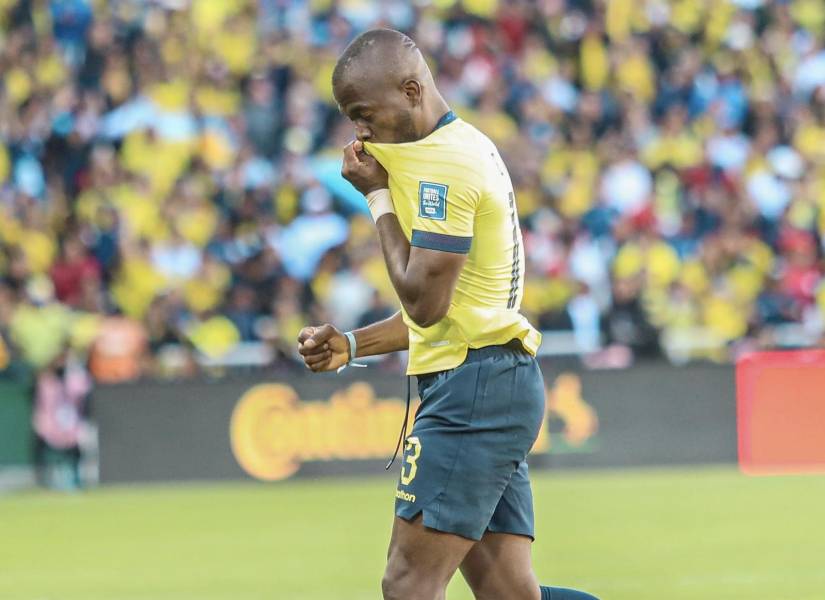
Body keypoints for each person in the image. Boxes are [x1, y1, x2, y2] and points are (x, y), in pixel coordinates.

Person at [297, 29, 598, 600]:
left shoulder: (445, 165)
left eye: (363, 113)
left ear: (411, 90)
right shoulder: (453, 149)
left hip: (475, 390)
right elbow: (451, 313)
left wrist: (378, 199)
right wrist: (353, 346)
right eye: (348, 116)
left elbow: (425, 306)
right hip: (490, 380)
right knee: (511, 594)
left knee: (407, 584)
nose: (358, 129)